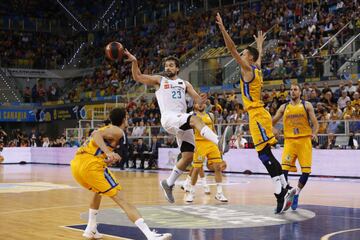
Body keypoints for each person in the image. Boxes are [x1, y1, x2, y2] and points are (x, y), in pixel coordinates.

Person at [124, 50, 232, 203]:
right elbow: (138, 76)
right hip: (169, 118)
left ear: (177, 69)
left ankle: (168, 183)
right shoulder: (159, 80)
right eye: (166, 66)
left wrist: (202, 100)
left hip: (181, 120)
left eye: (171, 66)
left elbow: (197, 100)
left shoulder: (184, 83)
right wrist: (135, 61)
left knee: (188, 156)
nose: (168, 68)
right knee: (194, 119)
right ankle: (218, 141)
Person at [216, 13, 295, 214]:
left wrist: (223, 28)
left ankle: (281, 189)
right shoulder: (256, 68)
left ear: (248, 58)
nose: (240, 56)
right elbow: (257, 58)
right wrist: (259, 45)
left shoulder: (247, 69)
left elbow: (231, 48)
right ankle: (283, 188)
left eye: (244, 54)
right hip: (260, 114)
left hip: (257, 115)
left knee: (263, 154)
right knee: (265, 153)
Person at [70, 108, 171, 240]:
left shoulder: (110, 130)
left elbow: (96, 145)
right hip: (90, 166)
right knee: (122, 200)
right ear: (124, 118)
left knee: (98, 192)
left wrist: (108, 157)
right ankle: (150, 235)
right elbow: (95, 134)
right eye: (127, 116)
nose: (128, 119)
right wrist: (109, 152)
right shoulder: (117, 130)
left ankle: (91, 228)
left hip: (78, 165)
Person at [272, 84, 319, 210]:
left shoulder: (306, 105)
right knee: (283, 170)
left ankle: (296, 192)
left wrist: (314, 133)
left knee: (306, 171)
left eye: (295, 89)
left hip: (304, 141)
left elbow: (315, 123)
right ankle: (286, 193)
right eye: (291, 90)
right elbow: (272, 121)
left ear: (300, 92)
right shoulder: (284, 107)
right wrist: (273, 130)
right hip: (290, 142)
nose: (292, 92)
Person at [184, 103, 228, 203]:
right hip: (199, 144)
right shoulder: (192, 116)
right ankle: (191, 192)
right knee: (196, 169)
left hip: (212, 143)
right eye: (198, 103)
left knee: (218, 167)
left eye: (202, 103)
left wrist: (219, 144)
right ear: (194, 105)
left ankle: (219, 193)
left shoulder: (210, 115)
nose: (200, 104)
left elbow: (214, 130)